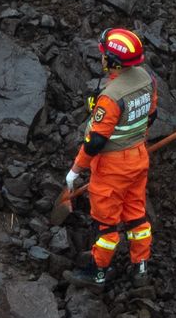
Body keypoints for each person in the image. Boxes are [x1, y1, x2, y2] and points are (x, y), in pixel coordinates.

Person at [65, 27, 159, 285]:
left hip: (111, 167)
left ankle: (98, 272)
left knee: (105, 225)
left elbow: (95, 142)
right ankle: (140, 267)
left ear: (113, 60)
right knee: (136, 215)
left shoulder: (110, 97)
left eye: (104, 54)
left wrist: (75, 170)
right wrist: (134, 139)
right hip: (138, 158)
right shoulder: (146, 78)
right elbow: (151, 114)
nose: (102, 57)